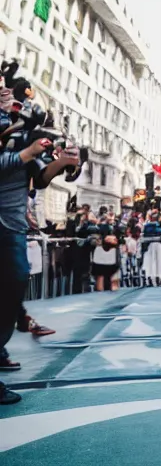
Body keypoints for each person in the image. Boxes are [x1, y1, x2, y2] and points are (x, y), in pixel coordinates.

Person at [0, 138, 79, 404]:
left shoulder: (24, 127)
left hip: (12, 227)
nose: (8, 93)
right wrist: (27, 152)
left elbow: (41, 178)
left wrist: (64, 162)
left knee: (16, 282)